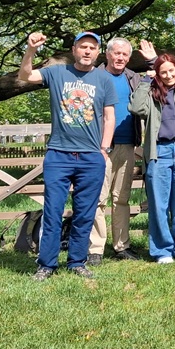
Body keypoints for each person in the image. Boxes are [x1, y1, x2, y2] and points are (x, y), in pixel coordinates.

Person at [18, 31, 117, 281]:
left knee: (85, 212)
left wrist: (104, 150)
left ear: (98, 53)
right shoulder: (57, 72)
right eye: (82, 46)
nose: (87, 51)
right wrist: (31, 50)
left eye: (92, 48)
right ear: (74, 50)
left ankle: (77, 262)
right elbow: (25, 76)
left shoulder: (104, 79)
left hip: (91, 157)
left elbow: (109, 117)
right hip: (59, 154)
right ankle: (47, 265)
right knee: (53, 211)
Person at [130, 53, 175, 264]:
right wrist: (145, 81)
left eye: (171, 70)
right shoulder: (151, 92)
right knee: (158, 204)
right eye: (163, 72)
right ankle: (162, 251)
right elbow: (135, 108)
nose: (168, 75)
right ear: (158, 75)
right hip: (158, 152)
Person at [88, 37, 144, 265]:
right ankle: (95, 249)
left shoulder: (135, 78)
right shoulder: (94, 76)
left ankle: (122, 246)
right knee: (98, 199)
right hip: (100, 147)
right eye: (116, 53)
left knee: (121, 198)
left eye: (125, 55)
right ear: (108, 54)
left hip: (128, 144)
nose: (120, 58)